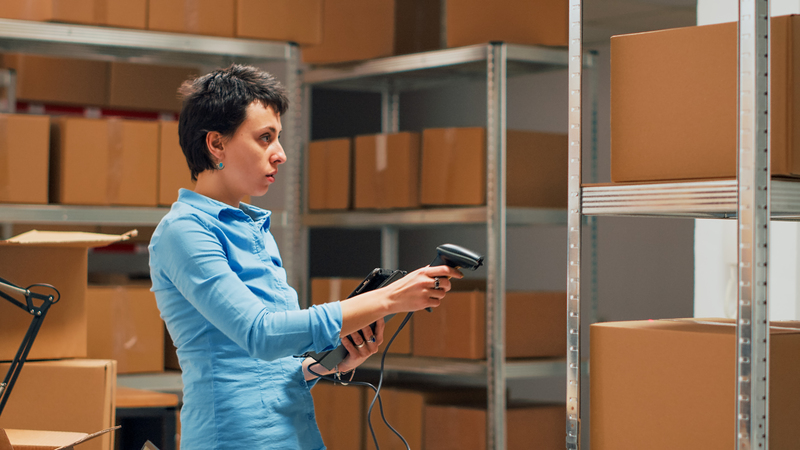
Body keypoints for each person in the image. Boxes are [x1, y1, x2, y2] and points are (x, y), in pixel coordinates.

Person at [148, 64, 461, 449]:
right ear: (216, 144)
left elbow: (265, 367)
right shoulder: (184, 232)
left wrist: (324, 365)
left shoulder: (253, 228)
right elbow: (260, 333)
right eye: (265, 138)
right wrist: (389, 298)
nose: (280, 154)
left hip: (293, 434)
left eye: (278, 138)